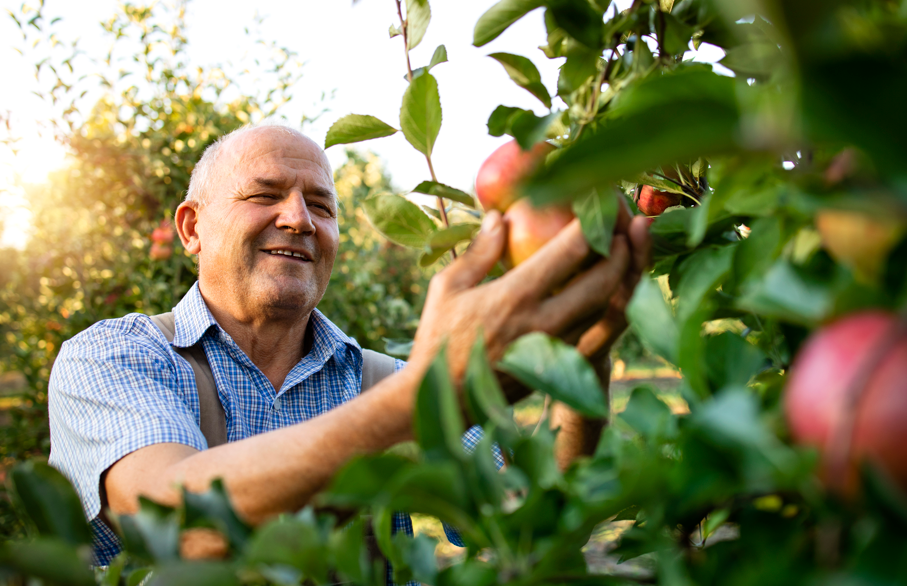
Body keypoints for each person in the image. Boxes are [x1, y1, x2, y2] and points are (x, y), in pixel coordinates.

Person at [48, 124, 651, 567]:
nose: (299, 220)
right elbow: (175, 525)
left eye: (321, 205)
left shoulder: (380, 380)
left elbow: (535, 524)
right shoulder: (116, 358)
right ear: (191, 228)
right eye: (264, 195)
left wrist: (586, 353)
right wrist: (422, 400)